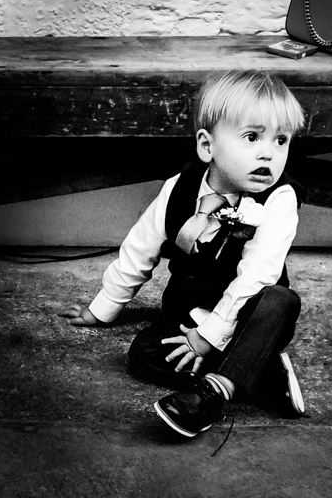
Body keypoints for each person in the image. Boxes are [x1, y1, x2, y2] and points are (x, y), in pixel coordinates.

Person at [64, 71, 310, 439]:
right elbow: (140, 246)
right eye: (251, 137)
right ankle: (258, 369)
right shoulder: (179, 188)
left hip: (248, 315)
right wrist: (103, 307)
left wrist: (210, 337)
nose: (268, 153)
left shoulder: (279, 199)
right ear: (207, 147)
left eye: (281, 140)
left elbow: (257, 273)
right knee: (143, 353)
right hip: (188, 314)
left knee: (280, 300)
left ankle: (212, 394)